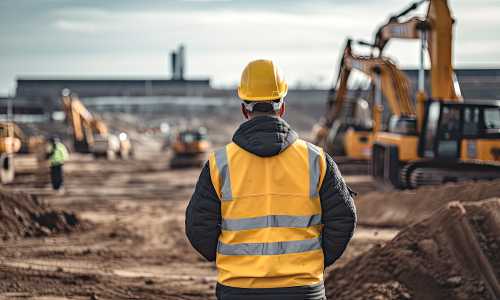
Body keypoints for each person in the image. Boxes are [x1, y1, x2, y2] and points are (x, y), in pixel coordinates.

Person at [185, 59, 357, 300]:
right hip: (303, 289)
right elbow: (344, 218)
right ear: (282, 107)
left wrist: (235, 264)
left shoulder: (219, 163)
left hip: (238, 289)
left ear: (245, 110)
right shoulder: (316, 160)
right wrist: (313, 260)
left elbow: (198, 227)